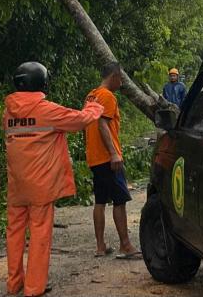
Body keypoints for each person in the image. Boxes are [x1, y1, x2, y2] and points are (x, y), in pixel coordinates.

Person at [4, 62, 104, 297]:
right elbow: (79, 120)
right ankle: (33, 288)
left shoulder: (8, 112)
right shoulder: (46, 110)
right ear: (42, 83)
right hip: (40, 186)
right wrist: (94, 108)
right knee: (39, 235)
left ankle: (14, 283)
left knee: (14, 233)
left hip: (17, 186)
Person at [84, 62, 141, 259]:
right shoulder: (108, 96)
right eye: (121, 78)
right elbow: (102, 124)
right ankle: (125, 245)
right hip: (108, 157)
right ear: (114, 76)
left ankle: (100, 246)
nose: (122, 82)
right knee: (120, 199)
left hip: (94, 156)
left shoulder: (92, 95)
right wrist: (114, 153)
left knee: (100, 200)